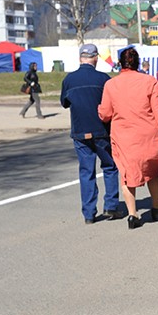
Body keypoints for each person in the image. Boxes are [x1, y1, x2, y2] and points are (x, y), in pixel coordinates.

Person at [97, 47, 158, 230]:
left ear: (121, 63)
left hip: (123, 136)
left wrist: (100, 109)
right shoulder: (149, 81)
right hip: (148, 132)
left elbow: (105, 114)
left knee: (127, 174)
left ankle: (132, 214)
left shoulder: (111, 85)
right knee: (152, 169)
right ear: (138, 63)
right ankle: (156, 207)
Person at [60, 44, 125, 224]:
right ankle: (111, 205)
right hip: (102, 130)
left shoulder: (69, 79)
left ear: (80, 58)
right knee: (110, 167)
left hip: (80, 131)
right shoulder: (104, 79)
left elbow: (64, 103)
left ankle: (89, 213)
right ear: (95, 58)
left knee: (86, 171)